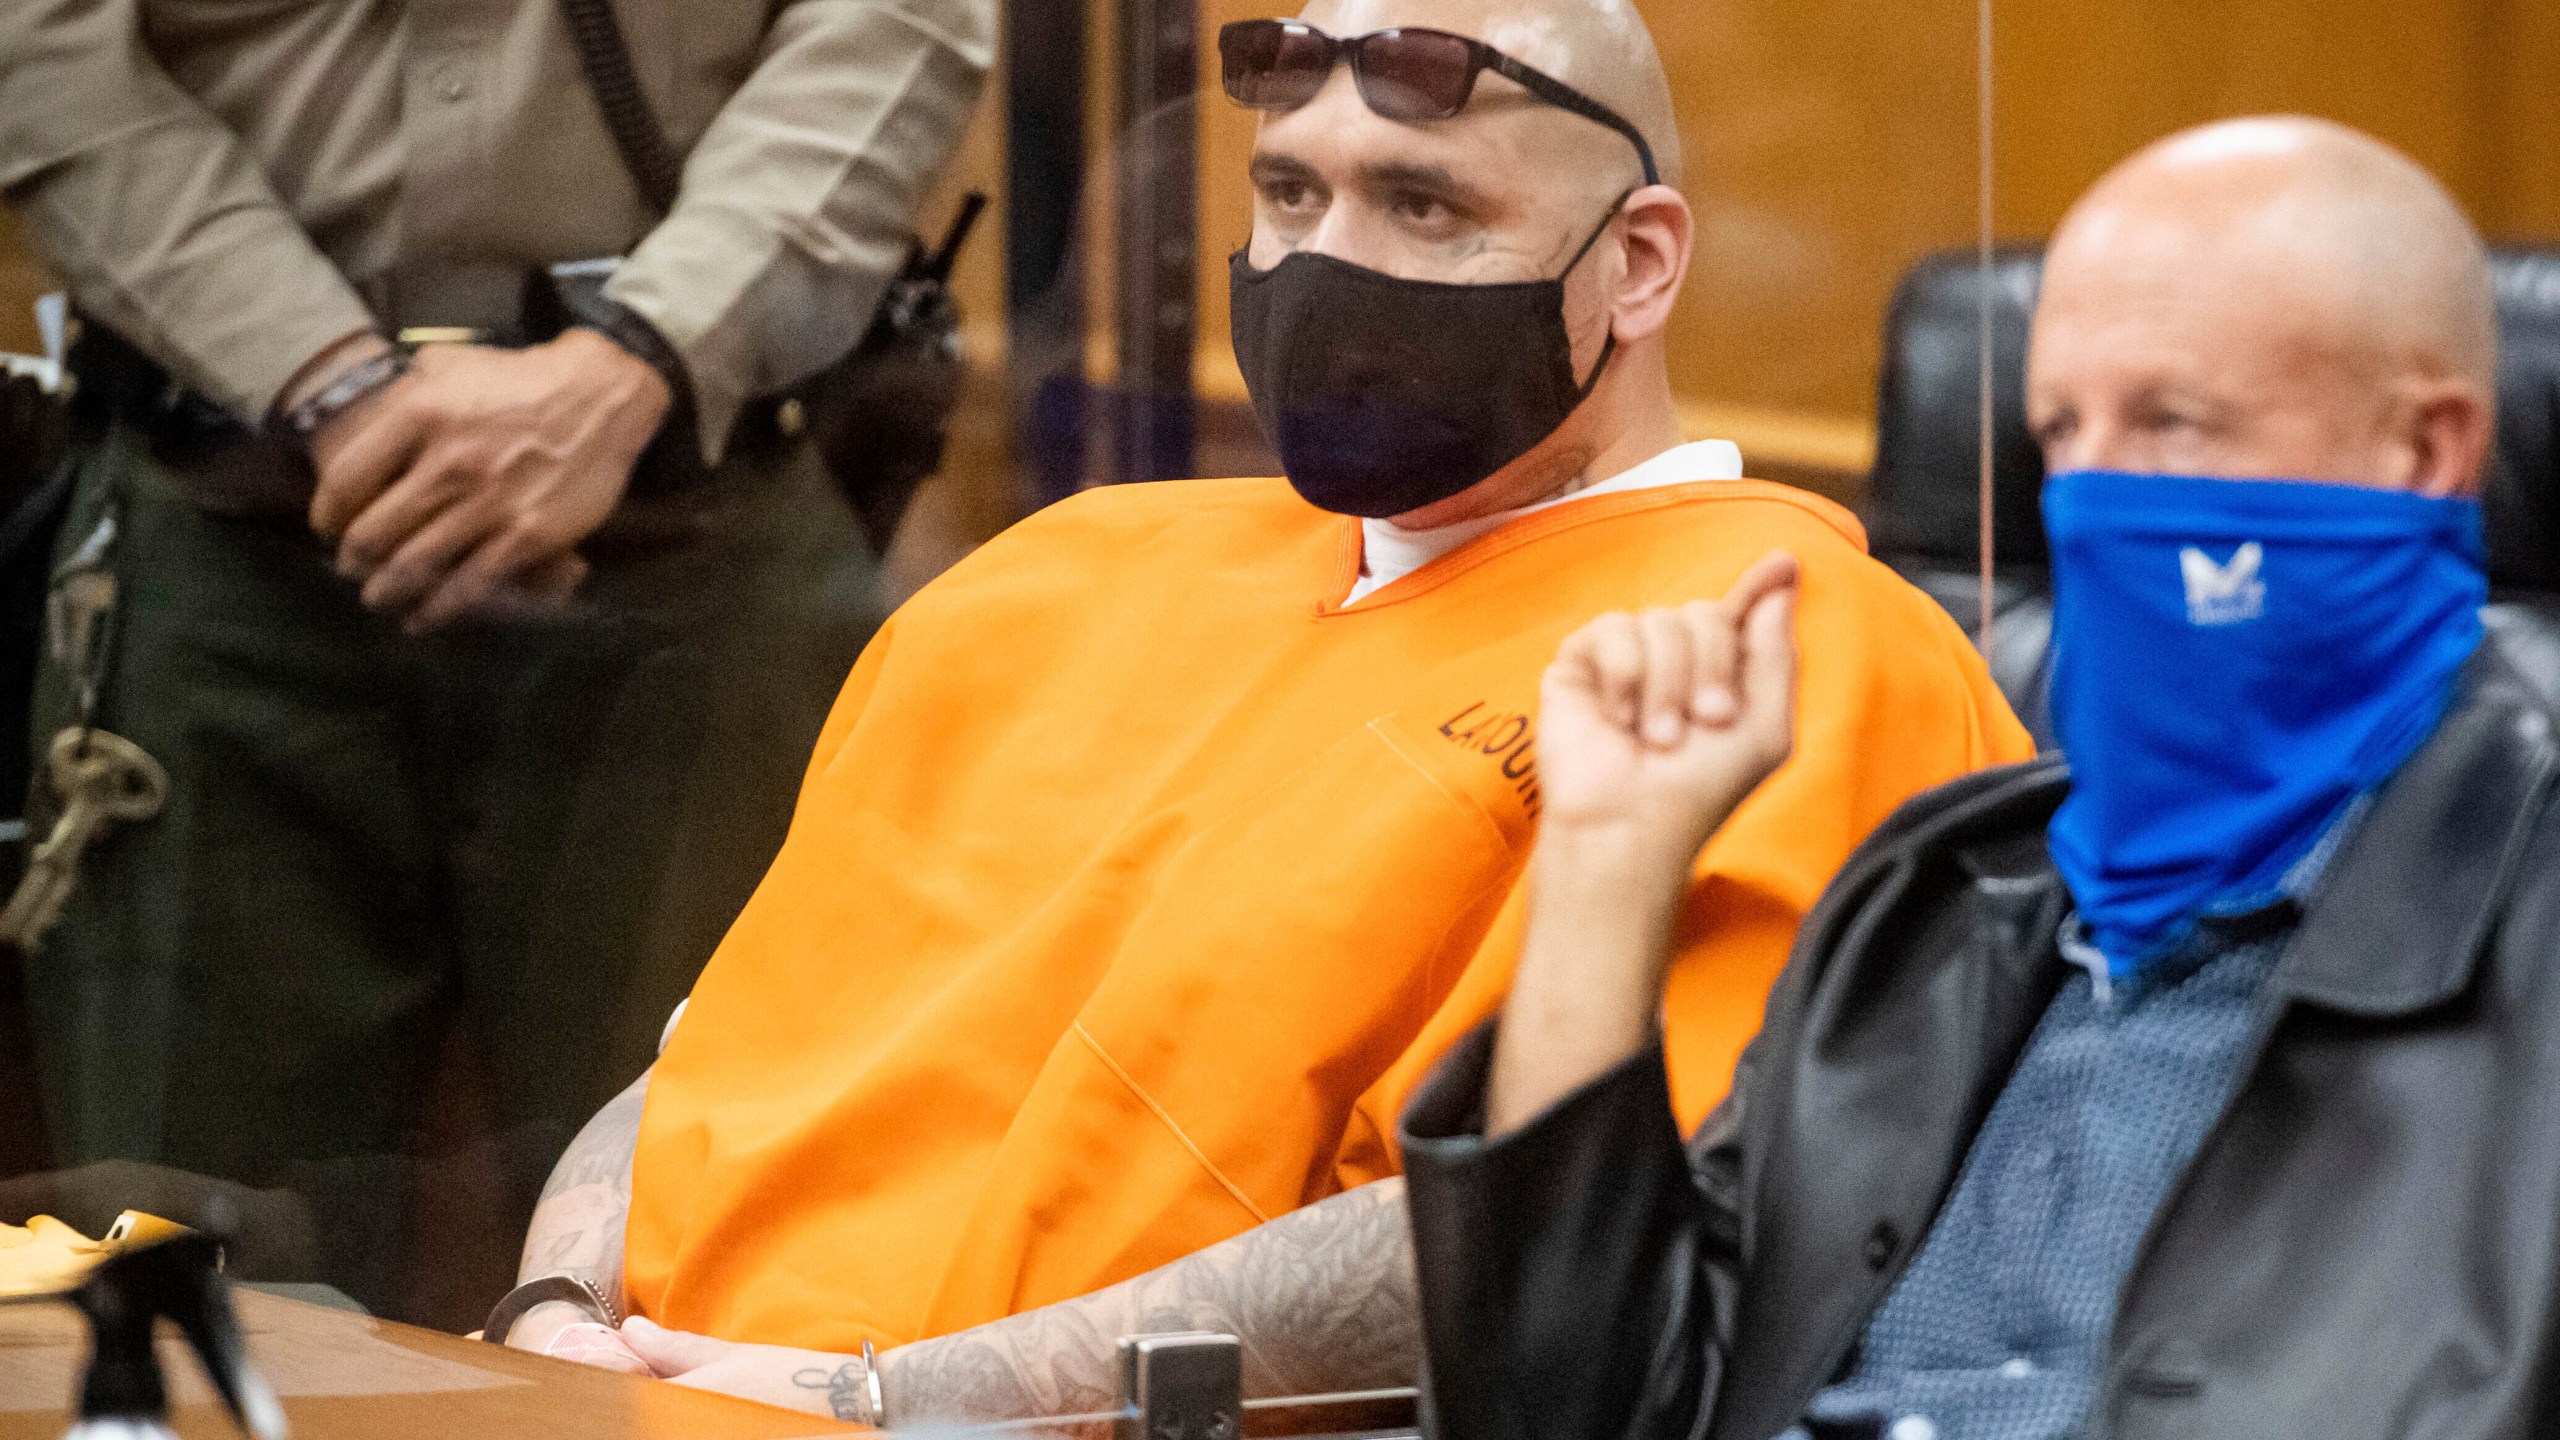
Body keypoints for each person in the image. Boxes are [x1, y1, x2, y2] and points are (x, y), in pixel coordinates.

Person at [488, 0, 2032, 1423]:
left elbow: (1554, 1241)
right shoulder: (1057, 572)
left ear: (1636, 264)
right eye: (1290, 193)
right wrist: (551, 1315)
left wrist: (882, 1402)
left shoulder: (1782, 650)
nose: (1321, 263)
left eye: (1423, 204)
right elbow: (710, 1058)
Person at [1397, 115, 2556, 1440]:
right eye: (2062, 431)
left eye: (2173, 424)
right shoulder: (1932, 900)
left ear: (2422, 455)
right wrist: (1609, 865)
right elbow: (1560, 1415)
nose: (2092, 496)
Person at [0, 0, 992, 1318]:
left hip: (692, 516)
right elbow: (37, 45)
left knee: (724, 1245)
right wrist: (319, 375)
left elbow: (896, 21)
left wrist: (644, 359)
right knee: (183, 1274)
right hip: (224, 522)